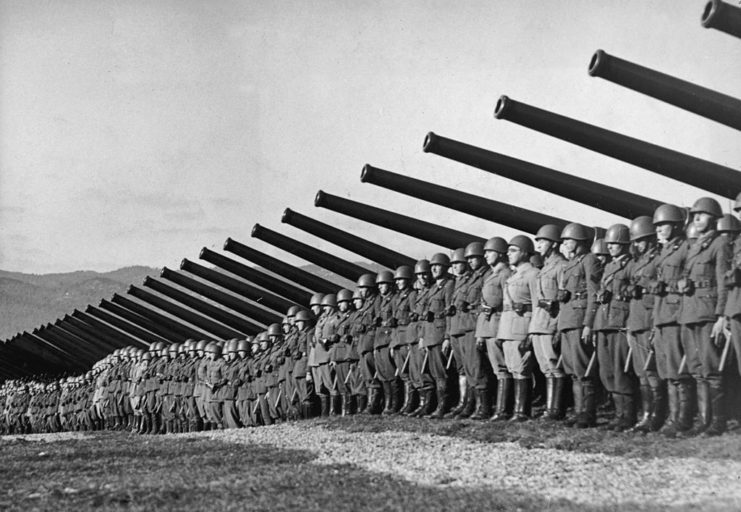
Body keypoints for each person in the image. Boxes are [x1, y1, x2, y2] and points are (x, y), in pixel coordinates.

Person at [679, 197, 731, 436]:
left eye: (702, 214)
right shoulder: (694, 245)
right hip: (689, 312)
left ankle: (718, 422)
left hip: (708, 312)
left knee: (711, 368)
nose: (697, 218)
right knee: (696, 368)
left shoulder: (719, 244)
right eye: (695, 214)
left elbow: (722, 283)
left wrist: (721, 316)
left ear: (714, 218)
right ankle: (703, 420)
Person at [651, 204, 693, 438]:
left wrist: (670, 287)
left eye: (663, 225)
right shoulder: (663, 252)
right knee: (667, 371)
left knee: (679, 370)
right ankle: (673, 417)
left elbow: (688, 280)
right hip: (661, 315)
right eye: (656, 226)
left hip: (675, 314)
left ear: (676, 226)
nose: (658, 230)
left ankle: (683, 419)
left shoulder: (685, 248)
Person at [557, 223, 604, 428]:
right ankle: (579, 412)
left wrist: (588, 324)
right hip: (568, 320)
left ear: (579, 241)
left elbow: (594, 294)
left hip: (579, 320)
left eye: (568, 240)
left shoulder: (589, 260)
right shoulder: (571, 263)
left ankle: (587, 414)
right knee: (572, 370)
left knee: (583, 369)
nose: (565, 244)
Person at [593, 224, 637, 431]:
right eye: (609, 244)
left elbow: (634, 292)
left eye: (615, 244)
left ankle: (626, 416)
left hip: (620, 322)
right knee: (607, 371)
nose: (610, 247)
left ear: (624, 244)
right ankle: (618, 414)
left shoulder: (631, 265)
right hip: (604, 321)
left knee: (621, 370)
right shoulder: (609, 267)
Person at [625, 216, 665, 433]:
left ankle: (658, 416)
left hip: (650, 319)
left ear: (650, 239)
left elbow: (660, 289)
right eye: (636, 241)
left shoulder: (658, 259)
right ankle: (647, 415)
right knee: (641, 372)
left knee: (652, 371)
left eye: (641, 240)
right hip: (636, 320)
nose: (637, 244)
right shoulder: (637, 262)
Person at [529, 225, 568, 420]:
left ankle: (557, 410)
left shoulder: (561, 266)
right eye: (537, 241)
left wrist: (559, 328)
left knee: (554, 365)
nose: (539, 245)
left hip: (551, 323)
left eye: (542, 241)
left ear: (553, 243)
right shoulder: (544, 267)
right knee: (545, 367)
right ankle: (550, 408)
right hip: (539, 323)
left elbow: (563, 299)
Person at [499, 235, 539, 421]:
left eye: (513, 250)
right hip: (508, 327)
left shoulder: (532, 274)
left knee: (522, 367)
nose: (509, 254)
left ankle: (522, 411)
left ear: (524, 252)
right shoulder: (514, 275)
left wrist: (532, 331)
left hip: (522, 325)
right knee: (513, 367)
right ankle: (515, 410)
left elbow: (538, 304)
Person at [475, 237, 513, 421]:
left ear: (498, 253)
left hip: (498, 325)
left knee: (502, 368)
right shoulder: (492, 274)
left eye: (489, 252)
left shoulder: (505, 273)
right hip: (488, 326)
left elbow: (508, 301)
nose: (486, 255)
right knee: (496, 368)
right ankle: (498, 408)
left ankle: (503, 410)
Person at [421, 253, 455, 419]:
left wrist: (447, 337)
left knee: (442, 373)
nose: (434, 268)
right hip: (430, 335)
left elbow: (450, 312)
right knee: (434, 373)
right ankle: (437, 406)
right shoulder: (433, 288)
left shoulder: (449, 286)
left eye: (438, 265)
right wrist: (423, 337)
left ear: (446, 268)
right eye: (432, 266)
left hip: (440, 334)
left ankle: (443, 407)